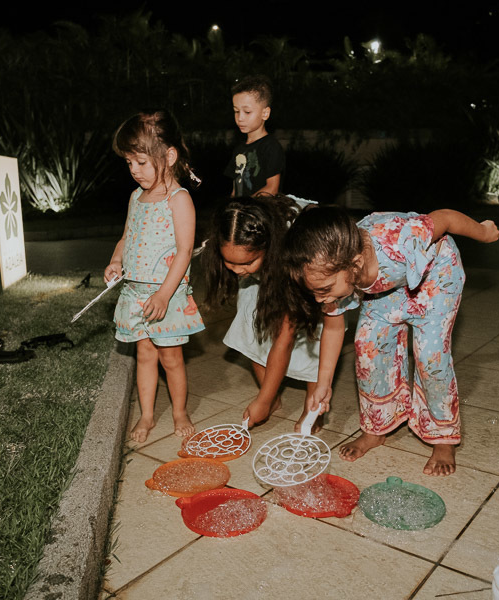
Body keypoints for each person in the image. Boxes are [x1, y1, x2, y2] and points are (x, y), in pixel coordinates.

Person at [282, 206, 499, 476]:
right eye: (312, 292)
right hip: (387, 287)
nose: (318, 299)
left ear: (355, 263)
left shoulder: (399, 237)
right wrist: (323, 384)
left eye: (323, 290)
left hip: (435, 274)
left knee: (431, 358)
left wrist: (484, 232)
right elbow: (335, 329)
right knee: (368, 348)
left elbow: (446, 218)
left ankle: (443, 437)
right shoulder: (335, 271)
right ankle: (377, 427)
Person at [202, 195, 345, 431]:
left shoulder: (291, 259)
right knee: (252, 328)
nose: (237, 270)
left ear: (269, 248)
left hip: (301, 270)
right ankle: (272, 398)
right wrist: (266, 399)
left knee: (313, 340)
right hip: (267, 275)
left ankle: (313, 410)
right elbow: (243, 264)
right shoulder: (241, 233)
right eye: (230, 262)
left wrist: (262, 400)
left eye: (247, 262)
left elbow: (284, 338)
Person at [104, 109, 205, 443]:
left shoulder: (179, 200)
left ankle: (180, 412)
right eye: (129, 163)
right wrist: (116, 259)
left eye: (141, 162)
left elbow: (185, 250)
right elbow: (125, 237)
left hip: (167, 292)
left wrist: (163, 294)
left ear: (169, 155)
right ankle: (147, 416)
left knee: (170, 357)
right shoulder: (136, 197)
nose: (134, 170)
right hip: (135, 292)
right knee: (144, 354)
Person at [224, 75, 285, 197]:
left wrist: (246, 208)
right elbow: (235, 189)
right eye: (236, 111)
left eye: (247, 112)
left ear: (265, 113)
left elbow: (272, 188)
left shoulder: (271, 147)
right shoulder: (239, 149)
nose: (240, 118)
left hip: (261, 213)